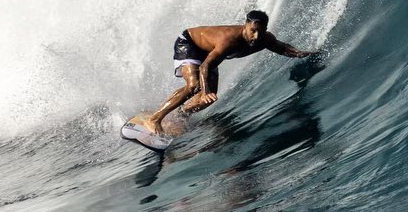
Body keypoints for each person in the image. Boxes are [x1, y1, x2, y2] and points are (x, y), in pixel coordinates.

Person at [121, 10, 317, 149]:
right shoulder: (229, 40)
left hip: (209, 54)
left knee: (209, 97)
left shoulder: (265, 39)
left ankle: (178, 114)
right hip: (189, 44)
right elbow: (205, 66)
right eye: (252, 31)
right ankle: (155, 119)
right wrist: (204, 91)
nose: (256, 36)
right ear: (246, 25)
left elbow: (283, 48)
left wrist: (305, 54)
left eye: (260, 31)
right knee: (194, 86)